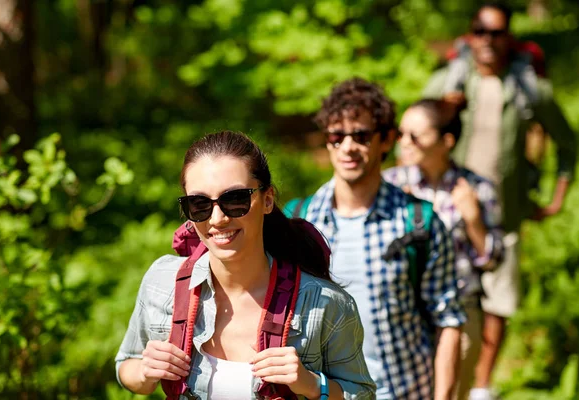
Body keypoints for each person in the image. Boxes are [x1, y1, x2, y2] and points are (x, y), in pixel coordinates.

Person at [115, 131, 376, 399]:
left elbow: (362, 394)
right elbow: (126, 364)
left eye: (235, 200)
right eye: (199, 204)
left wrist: (311, 384)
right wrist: (145, 372)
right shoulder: (162, 281)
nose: (217, 218)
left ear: (267, 200)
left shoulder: (327, 304)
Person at [423, 4, 578, 400]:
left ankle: (482, 387)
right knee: (453, 304)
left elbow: (566, 142)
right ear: (470, 35)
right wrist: (447, 110)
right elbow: (415, 133)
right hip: (451, 218)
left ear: (509, 37)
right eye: (481, 31)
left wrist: (556, 198)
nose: (488, 40)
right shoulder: (449, 83)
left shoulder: (528, 89)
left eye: (497, 32)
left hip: (505, 215)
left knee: (499, 304)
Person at [285, 78, 466, 400]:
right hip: (323, 393)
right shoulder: (299, 222)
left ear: (385, 141)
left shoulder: (418, 222)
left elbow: (448, 321)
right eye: (336, 135)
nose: (347, 146)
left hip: (405, 391)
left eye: (361, 135)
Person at [382, 99, 504, 400]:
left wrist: (474, 221)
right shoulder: (390, 185)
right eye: (401, 134)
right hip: (403, 315)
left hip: (461, 313)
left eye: (415, 136)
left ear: (446, 141)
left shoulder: (477, 188)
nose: (404, 143)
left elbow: (494, 260)